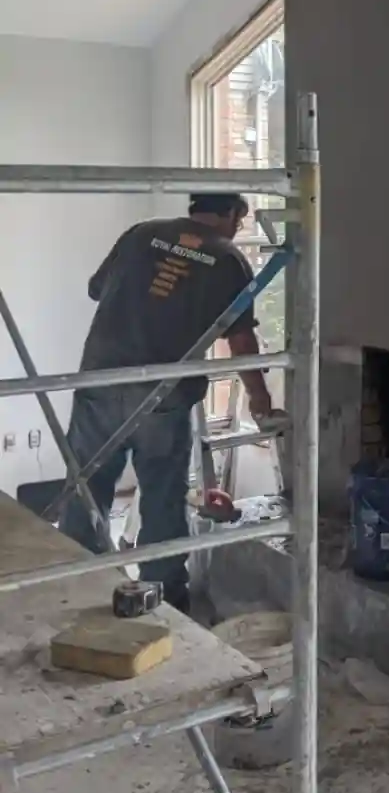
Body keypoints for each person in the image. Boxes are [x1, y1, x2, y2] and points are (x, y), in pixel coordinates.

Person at [59, 193, 278, 612]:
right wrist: (260, 400)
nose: (238, 229)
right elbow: (241, 340)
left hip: (101, 380)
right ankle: (163, 599)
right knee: (162, 498)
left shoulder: (141, 233)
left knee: (86, 487)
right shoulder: (227, 258)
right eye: (240, 221)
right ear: (232, 214)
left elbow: (96, 289)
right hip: (163, 395)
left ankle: (76, 586)